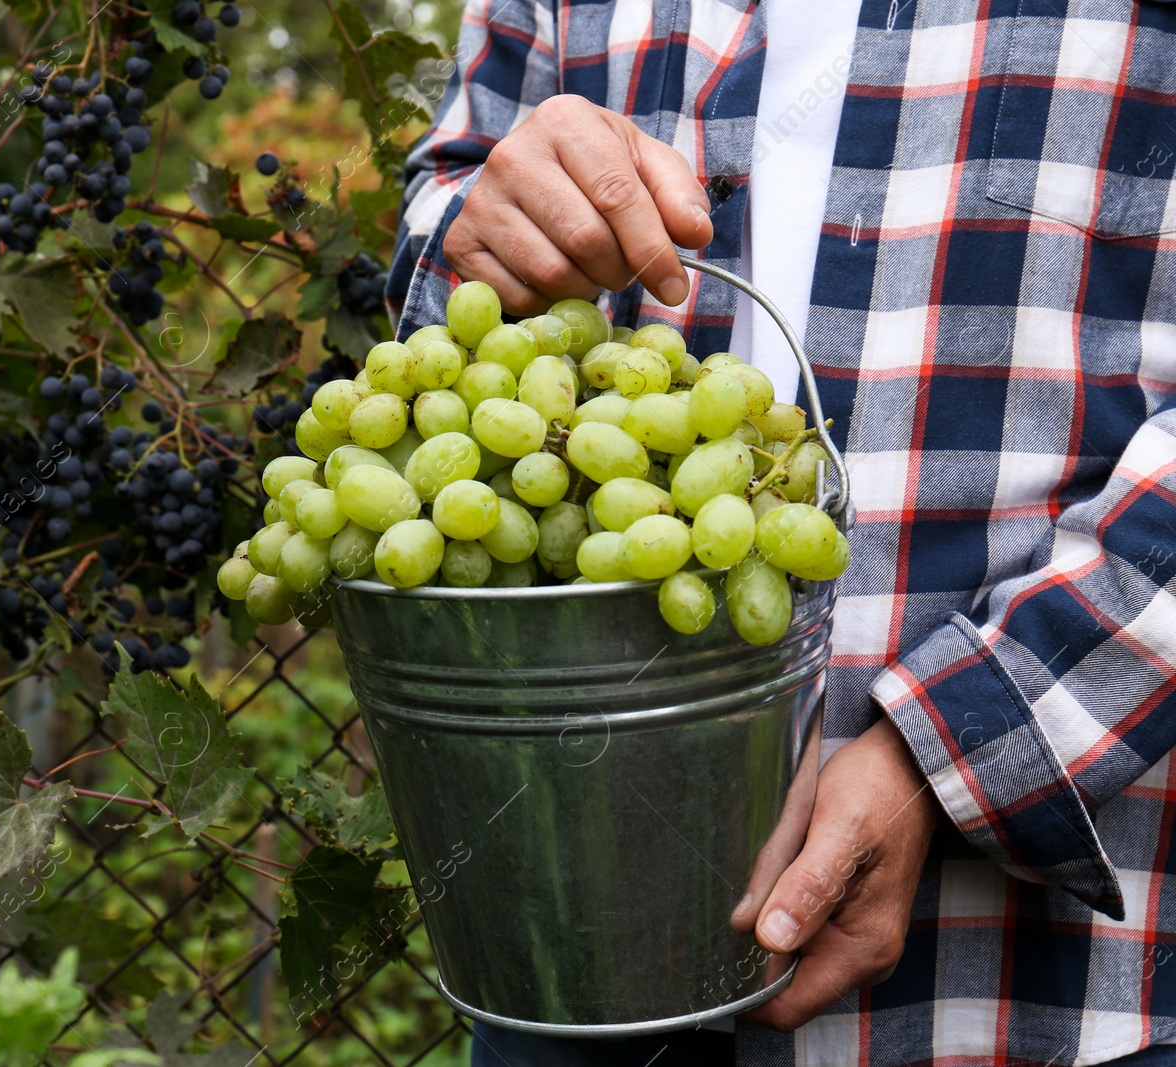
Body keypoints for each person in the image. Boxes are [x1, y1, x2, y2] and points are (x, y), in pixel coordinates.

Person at [385, 0, 1176, 1064]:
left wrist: (956, 750)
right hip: (581, 931)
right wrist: (479, 233)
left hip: (1020, 983)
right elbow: (445, 240)